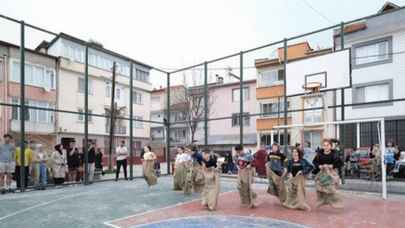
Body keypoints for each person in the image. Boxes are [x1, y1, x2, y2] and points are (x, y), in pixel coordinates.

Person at [312, 139, 344, 209]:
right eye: (324, 145)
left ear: (330, 146)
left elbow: (341, 163)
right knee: (319, 187)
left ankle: (335, 202)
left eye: (327, 145)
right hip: (322, 173)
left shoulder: (334, 154)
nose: (326, 147)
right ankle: (322, 200)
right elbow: (314, 162)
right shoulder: (319, 154)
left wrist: (332, 166)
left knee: (331, 188)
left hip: (331, 173)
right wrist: (319, 166)